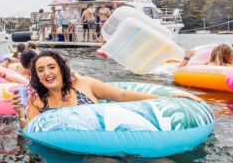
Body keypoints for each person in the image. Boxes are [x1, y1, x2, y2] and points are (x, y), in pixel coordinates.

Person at [12, 51, 198, 129]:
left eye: (52, 67)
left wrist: (165, 98)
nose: (47, 73)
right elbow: (29, 131)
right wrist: (21, 112)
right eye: (41, 70)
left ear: (61, 68)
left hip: (107, 136)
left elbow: (121, 95)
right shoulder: (38, 102)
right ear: (36, 76)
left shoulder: (84, 84)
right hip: (76, 152)